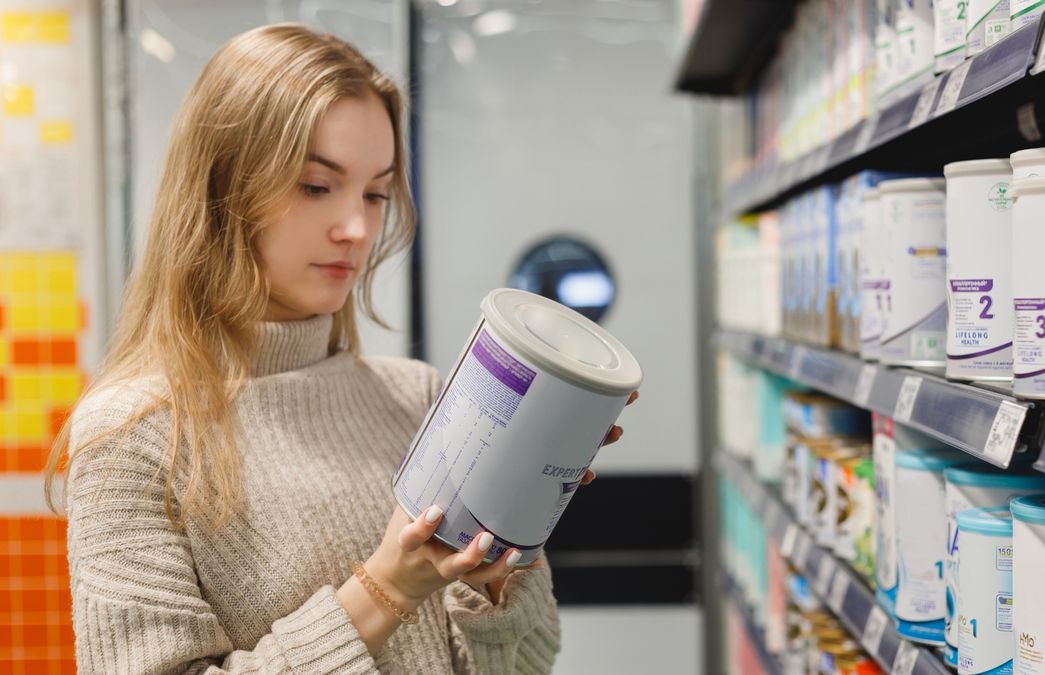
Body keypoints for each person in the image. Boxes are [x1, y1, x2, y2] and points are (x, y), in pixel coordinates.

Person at [44, 23, 632, 674]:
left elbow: (524, 664)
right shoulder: (132, 436)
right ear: (220, 190)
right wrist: (386, 589)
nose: (357, 228)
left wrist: (504, 550)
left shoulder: (418, 396)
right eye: (316, 186)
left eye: (376, 193)